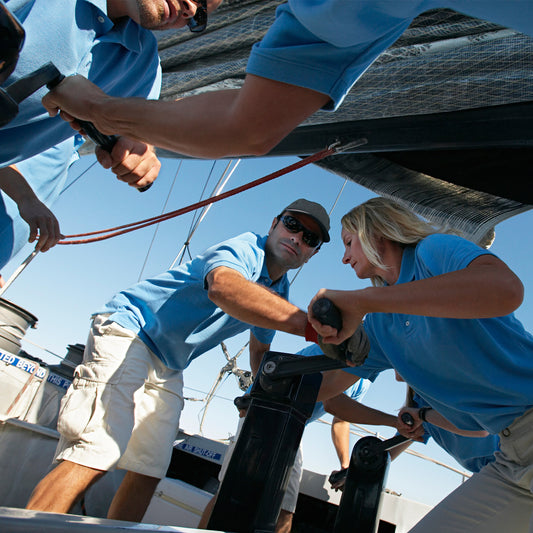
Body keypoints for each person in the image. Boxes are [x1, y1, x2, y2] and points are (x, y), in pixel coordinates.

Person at [26, 198, 330, 523]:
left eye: (310, 238)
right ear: (274, 224)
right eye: (292, 224)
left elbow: (259, 352)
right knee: (97, 447)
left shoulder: (278, 295)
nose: (297, 237)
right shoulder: (246, 249)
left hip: (169, 363)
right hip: (133, 331)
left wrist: (256, 399)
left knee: (149, 468)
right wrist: (317, 330)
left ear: (312, 253)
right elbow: (223, 287)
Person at [41, 2, 533, 161]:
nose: (191, 8)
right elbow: (247, 128)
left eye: (202, 12)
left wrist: (107, 115)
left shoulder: (139, 70)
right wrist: (108, 115)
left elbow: (245, 129)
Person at [307, 196, 533, 532]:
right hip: (513, 457)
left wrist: (362, 301)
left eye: (349, 243)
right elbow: (328, 393)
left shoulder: (432, 251)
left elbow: (507, 290)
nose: (344, 257)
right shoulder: (380, 326)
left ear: (375, 232)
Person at [0, 0, 220, 268]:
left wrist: (139, 156)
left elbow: (135, 141)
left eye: (200, 16)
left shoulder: (145, 68)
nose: (191, 9)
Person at [198, 342, 401, 533]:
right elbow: (333, 403)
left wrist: (345, 465)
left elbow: (341, 421)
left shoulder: (364, 379)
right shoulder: (346, 348)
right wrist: (395, 422)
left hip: (292, 425)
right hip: (261, 410)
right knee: (230, 495)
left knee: (284, 510)